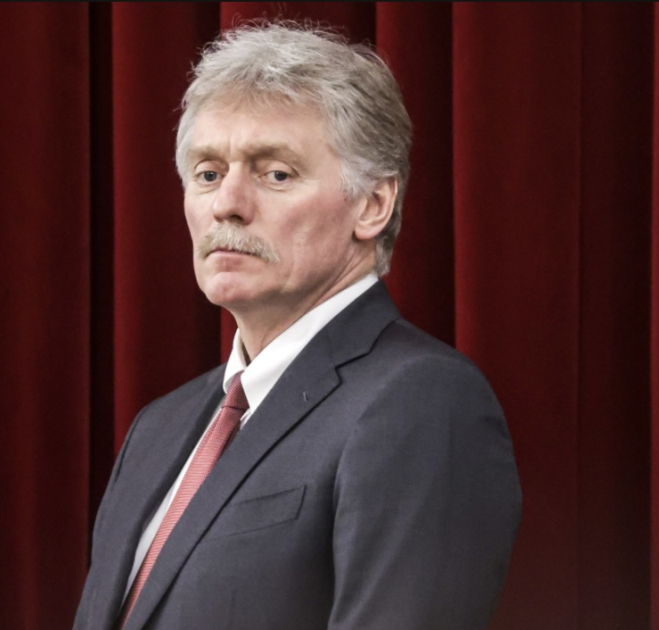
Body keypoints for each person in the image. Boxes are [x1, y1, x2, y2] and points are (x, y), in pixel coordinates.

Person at [73, 22, 521, 630]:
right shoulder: (158, 428)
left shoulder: (424, 402)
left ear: (373, 205)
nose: (226, 204)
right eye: (208, 173)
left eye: (275, 173)